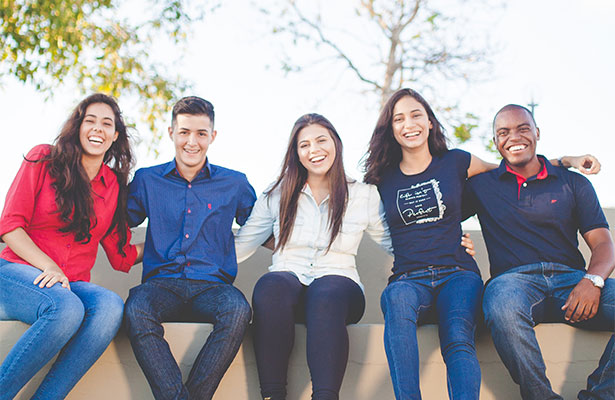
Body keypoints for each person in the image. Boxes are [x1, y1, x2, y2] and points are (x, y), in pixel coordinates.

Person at [362, 88, 597, 400]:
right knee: (396, 301)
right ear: (391, 129)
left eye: (417, 115)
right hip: (409, 277)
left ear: (430, 122)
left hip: (458, 274)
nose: (410, 124)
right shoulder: (382, 178)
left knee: (458, 337)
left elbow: (513, 168)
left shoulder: (457, 162)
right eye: (399, 118)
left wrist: (566, 160)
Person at [234, 113, 416, 400]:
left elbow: (396, 243)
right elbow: (240, 246)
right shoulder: (277, 194)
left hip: (340, 289)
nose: (314, 150)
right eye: (304, 145)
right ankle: (272, 395)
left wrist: (446, 246)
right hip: (287, 288)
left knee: (326, 291)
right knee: (271, 286)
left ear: (336, 143)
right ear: (296, 153)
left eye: (321, 140)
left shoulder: (363, 195)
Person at [463, 104, 614, 400]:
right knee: (501, 306)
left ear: (537, 133)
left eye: (522, 128)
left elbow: (604, 244)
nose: (513, 137)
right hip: (513, 283)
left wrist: (593, 281)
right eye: (503, 132)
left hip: (572, 282)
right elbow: (437, 217)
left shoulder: (573, 182)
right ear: (496, 142)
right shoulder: (480, 186)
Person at [0, 93, 143, 400]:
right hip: (17, 272)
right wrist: (48, 265)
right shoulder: (43, 159)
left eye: (107, 124)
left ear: (115, 135)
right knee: (65, 308)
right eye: (90, 120)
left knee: (109, 307)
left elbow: (121, 255)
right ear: (78, 127)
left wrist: (167, 242)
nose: (98, 129)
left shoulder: (113, 185)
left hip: (70, 283)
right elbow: (9, 226)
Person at [123, 96, 257, 400]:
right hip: (161, 284)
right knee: (136, 308)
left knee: (237, 310)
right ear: (171, 133)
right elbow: (114, 223)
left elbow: (265, 228)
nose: (191, 141)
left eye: (200, 133)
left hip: (213, 286)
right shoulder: (147, 179)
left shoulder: (235, 183)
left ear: (212, 136)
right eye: (184, 132)